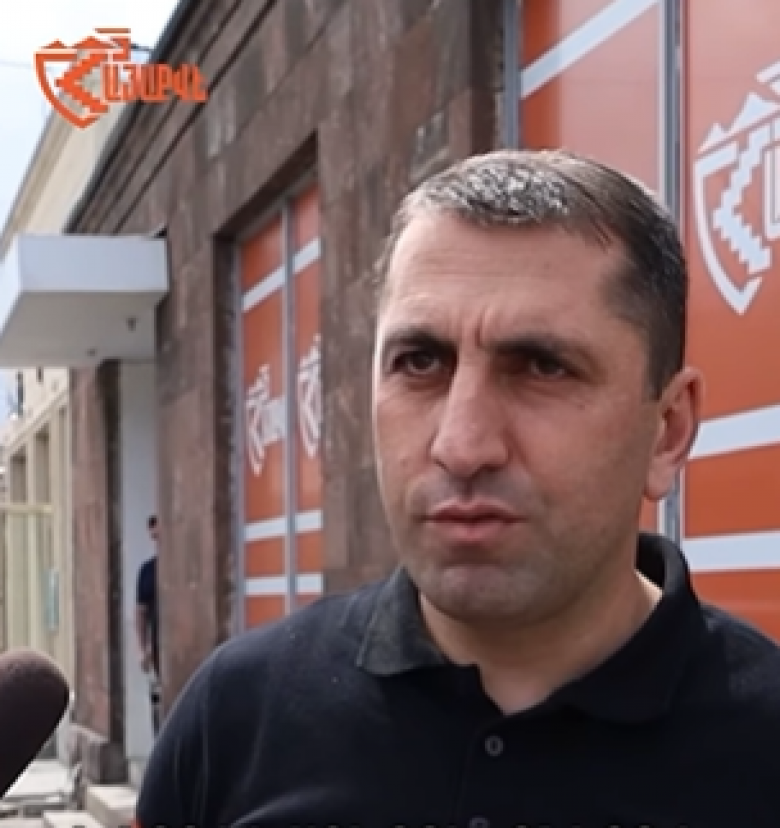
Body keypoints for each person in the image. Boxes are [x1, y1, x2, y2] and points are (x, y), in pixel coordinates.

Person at [135, 150, 780, 827]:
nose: (462, 446)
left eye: (542, 367)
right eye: (419, 362)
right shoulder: (233, 721)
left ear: (668, 431)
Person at [135, 514, 161, 735]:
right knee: (158, 699)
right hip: (157, 647)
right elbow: (141, 612)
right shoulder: (148, 571)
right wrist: (142, 648)